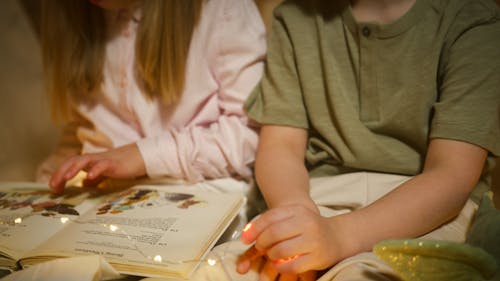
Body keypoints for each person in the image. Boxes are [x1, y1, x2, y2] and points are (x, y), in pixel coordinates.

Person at [209, 0, 498, 280]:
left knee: (362, 275)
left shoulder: (473, 18)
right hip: (315, 197)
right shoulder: (297, 16)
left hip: (427, 215)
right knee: (216, 269)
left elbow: (451, 175)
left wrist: (338, 237)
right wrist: (297, 222)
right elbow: (280, 146)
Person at [35, 0, 266, 195]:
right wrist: (50, 177)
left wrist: (143, 156)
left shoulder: (222, 10)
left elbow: (250, 137)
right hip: (104, 199)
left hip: (199, 195)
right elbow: (82, 128)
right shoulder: (75, 19)